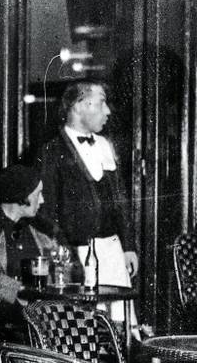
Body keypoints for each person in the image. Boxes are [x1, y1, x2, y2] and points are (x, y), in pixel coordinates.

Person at [36, 81, 136, 289]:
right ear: (79, 105)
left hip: (112, 251)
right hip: (77, 254)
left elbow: (120, 200)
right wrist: (67, 255)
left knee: (118, 316)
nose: (107, 111)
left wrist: (128, 247)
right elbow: (47, 209)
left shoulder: (105, 145)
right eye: (101, 103)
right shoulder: (52, 151)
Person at [0, 163, 62, 331]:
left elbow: (59, 264)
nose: (42, 200)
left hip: (38, 314)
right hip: (4, 319)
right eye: (38, 194)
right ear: (22, 196)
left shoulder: (36, 229)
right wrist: (24, 292)